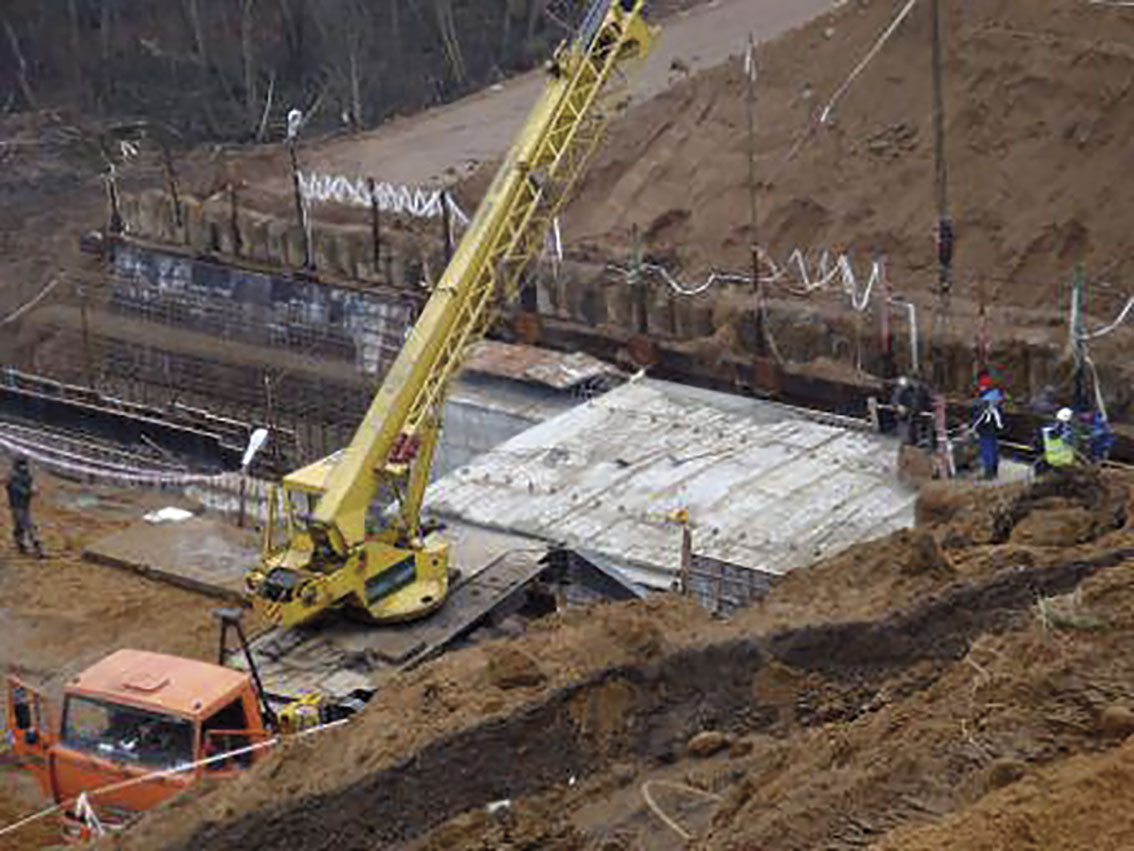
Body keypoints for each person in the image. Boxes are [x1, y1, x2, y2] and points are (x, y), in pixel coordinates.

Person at [5, 456, 44, 557]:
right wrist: (30, 492)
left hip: (24, 505)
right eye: (22, 465)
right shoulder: (12, 477)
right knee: (28, 526)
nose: (24, 467)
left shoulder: (27, 476)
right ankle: (37, 548)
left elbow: (32, 484)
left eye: (25, 465)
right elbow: (16, 489)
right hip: (16, 505)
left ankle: (22, 546)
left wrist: (34, 488)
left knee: (20, 526)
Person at [971, 372, 1005, 480]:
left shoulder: (984, 400)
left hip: (985, 427)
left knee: (986, 449)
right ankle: (994, 470)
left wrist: (973, 427)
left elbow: (979, 415)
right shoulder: (996, 396)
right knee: (994, 447)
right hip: (994, 426)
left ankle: (988, 473)